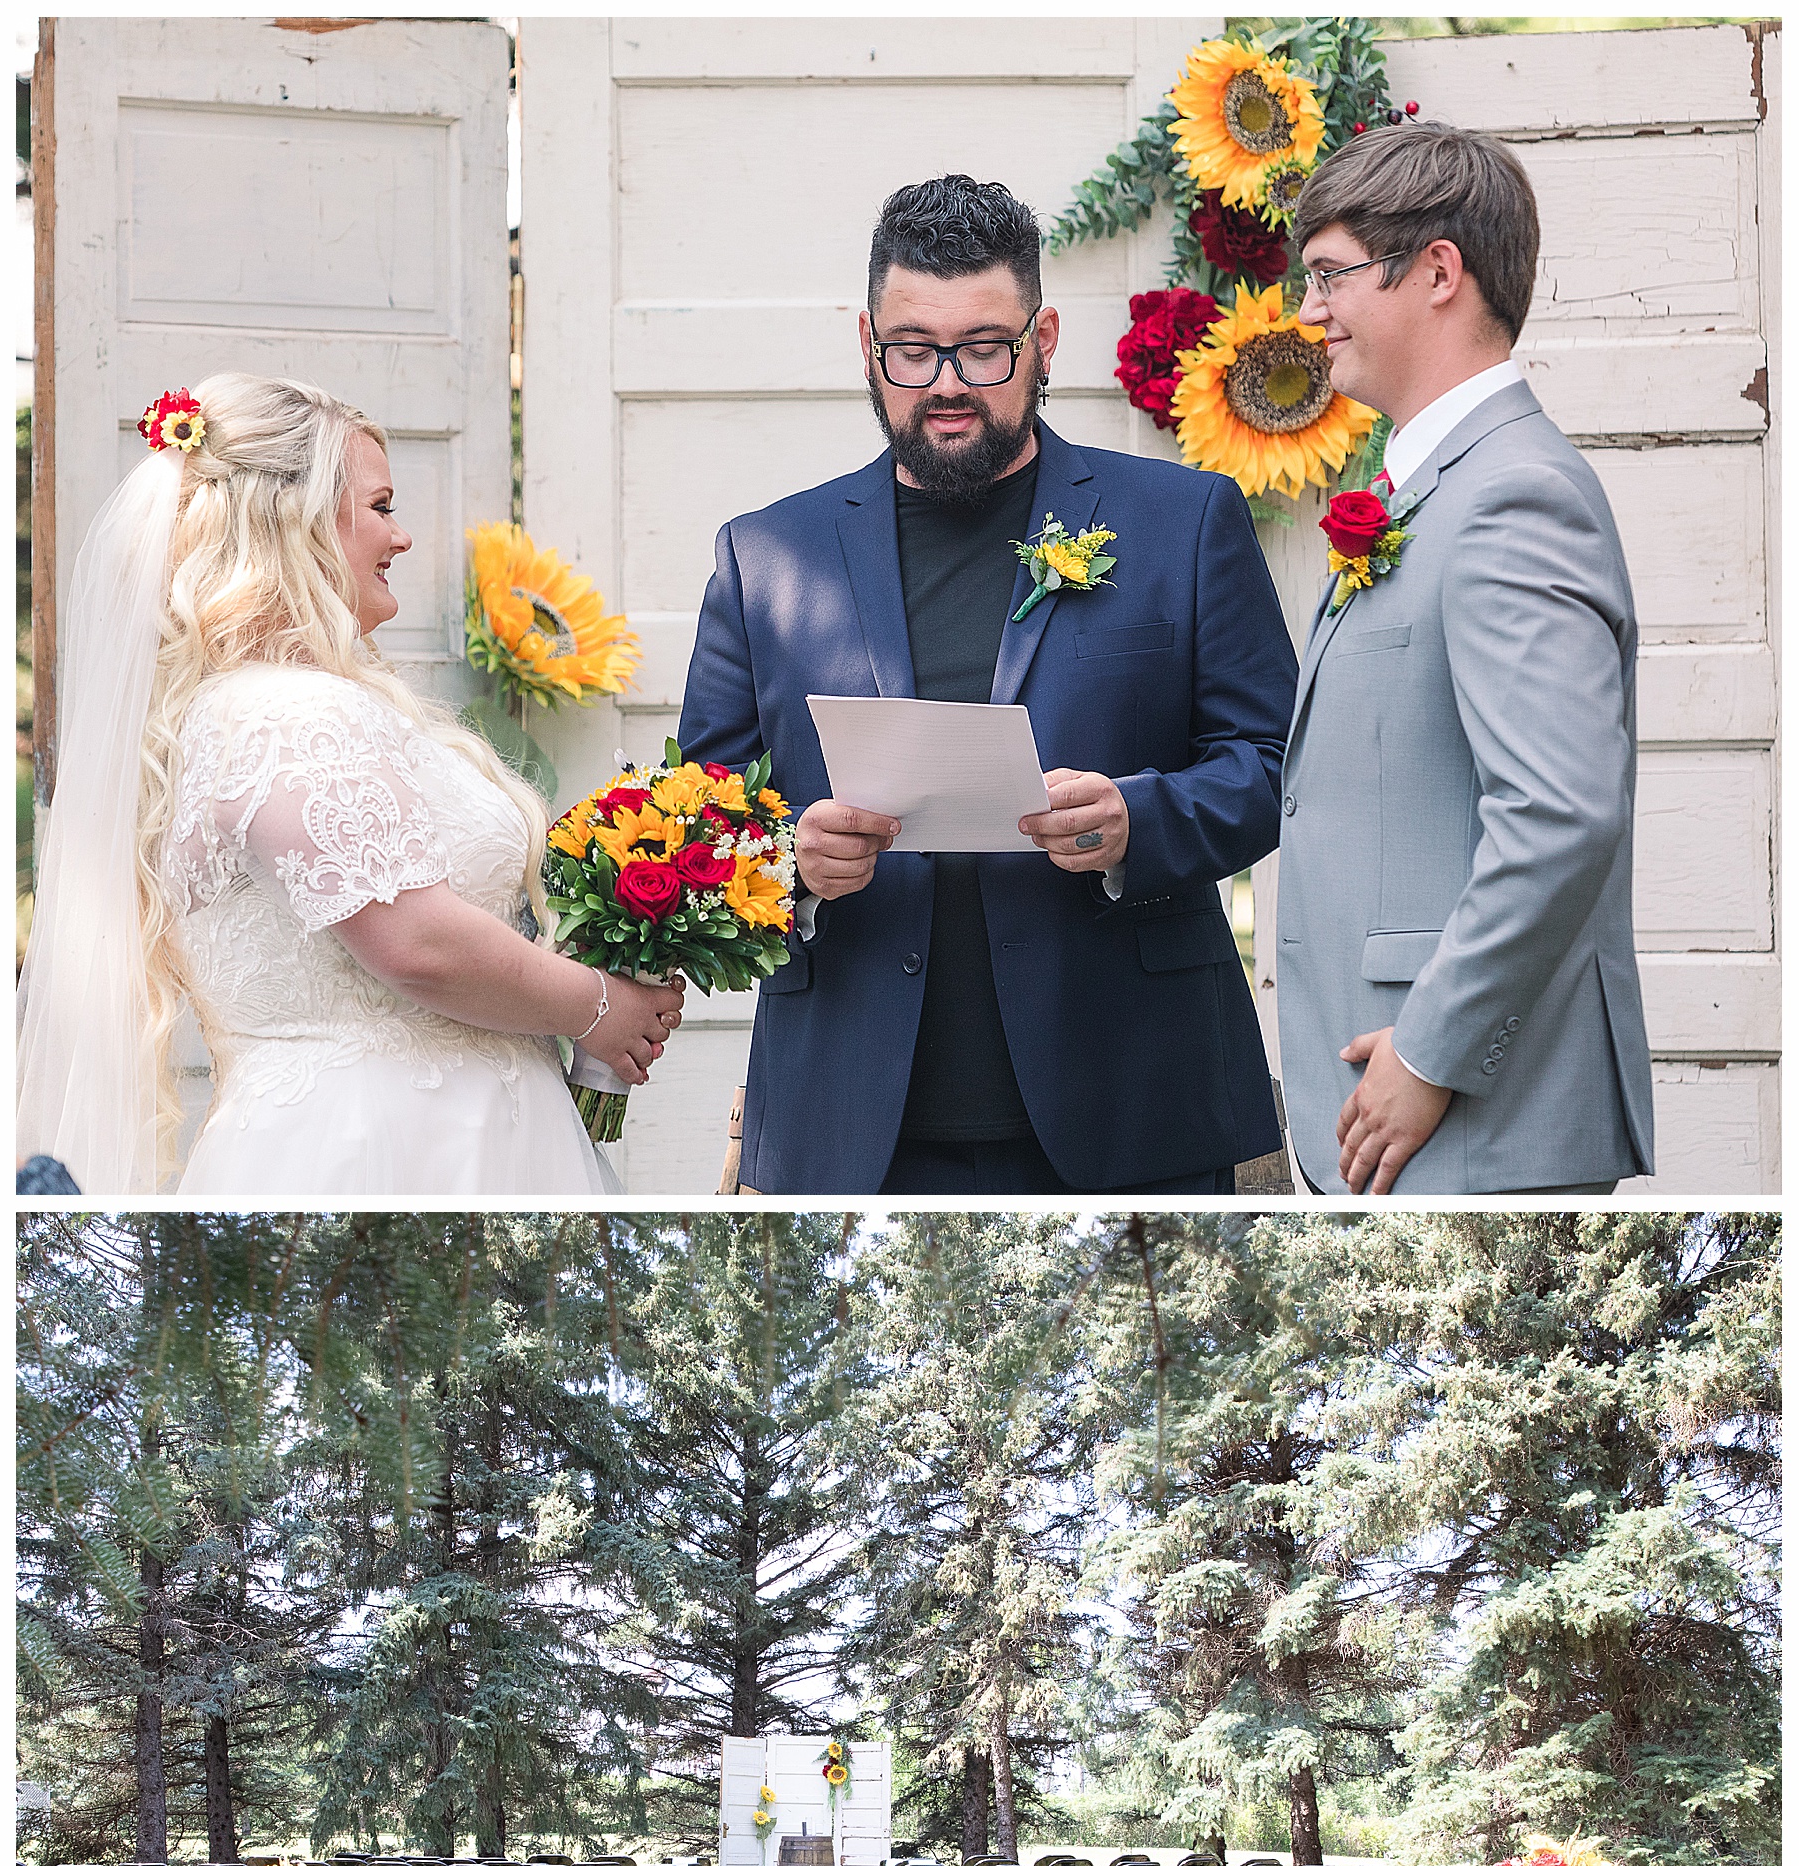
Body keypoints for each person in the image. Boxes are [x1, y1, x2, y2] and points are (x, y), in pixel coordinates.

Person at [678, 176, 1297, 1195]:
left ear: (1044, 336)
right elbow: (695, 827)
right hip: (850, 1122)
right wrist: (789, 860)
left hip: (1134, 1100)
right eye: (912, 350)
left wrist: (1141, 818)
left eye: (984, 348)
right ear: (867, 343)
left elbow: (1276, 767)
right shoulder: (765, 557)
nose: (947, 382)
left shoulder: (1184, 522)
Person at [16, 372, 682, 1196]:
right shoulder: (284, 715)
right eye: (380, 506)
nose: (401, 536)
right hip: (389, 1150)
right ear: (289, 521)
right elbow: (417, 943)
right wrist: (594, 1005)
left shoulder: (246, 711)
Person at [1276, 122, 1654, 1195]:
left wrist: (1432, 1048)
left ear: (1438, 271)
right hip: (1402, 1126)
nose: (1310, 315)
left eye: (1331, 277)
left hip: (1474, 1120)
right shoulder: (1435, 490)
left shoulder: (1513, 496)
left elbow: (1560, 811)